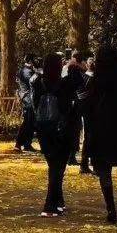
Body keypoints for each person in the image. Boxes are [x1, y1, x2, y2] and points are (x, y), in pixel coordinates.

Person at [84, 45, 117, 225]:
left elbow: (89, 105)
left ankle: (111, 210)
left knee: (104, 169)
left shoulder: (97, 78)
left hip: (102, 128)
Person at [32, 52, 80, 217]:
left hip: (44, 129)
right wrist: (73, 66)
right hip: (61, 129)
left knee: (54, 166)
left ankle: (58, 201)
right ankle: (50, 205)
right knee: (57, 168)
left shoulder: (38, 82)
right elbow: (77, 84)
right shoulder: (63, 84)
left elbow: (34, 104)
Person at [14, 54, 39, 153]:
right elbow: (32, 83)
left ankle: (27, 144)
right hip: (28, 99)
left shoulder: (27, 70)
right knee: (27, 122)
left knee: (30, 122)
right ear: (30, 60)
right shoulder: (26, 71)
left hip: (29, 98)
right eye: (34, 60)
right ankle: (18, 143)